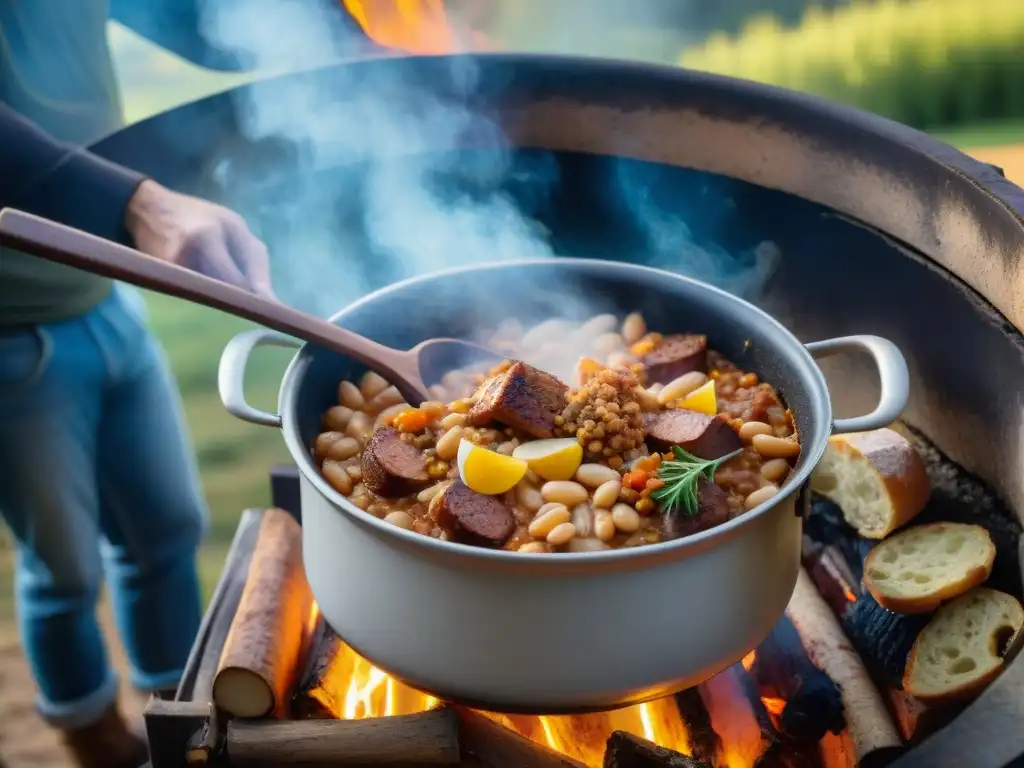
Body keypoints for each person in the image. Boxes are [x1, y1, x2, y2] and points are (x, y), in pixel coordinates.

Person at [0, 5, 277, 767]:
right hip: (10, 340)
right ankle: (91, 734)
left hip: (106, 298)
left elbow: (193, 21)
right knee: (64, 569)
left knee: (169, 530)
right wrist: (139, 201)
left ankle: (177, 718)